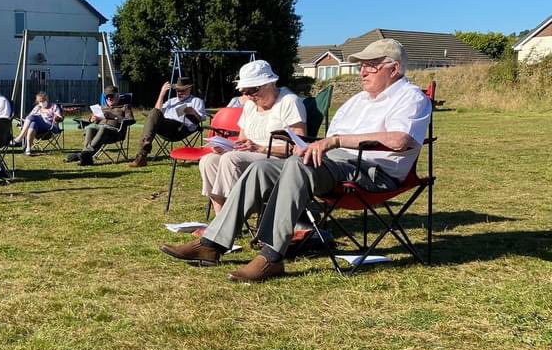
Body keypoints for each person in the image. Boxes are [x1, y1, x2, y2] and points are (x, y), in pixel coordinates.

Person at [161, 39, 432, 283]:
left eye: (371, 66)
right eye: (362, 65)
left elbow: (399, 140)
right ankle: (212, 245)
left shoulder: (411, 98)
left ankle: (272, 256)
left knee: (296, 164)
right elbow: (331, 138)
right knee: (260, 167)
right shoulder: (358, 100)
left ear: (393, 69)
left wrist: (333, 142)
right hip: (335, 164)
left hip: (373, 171)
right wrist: (317, 146)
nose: (362, 71)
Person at [199, 60, 306, 214]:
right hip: (251, 157)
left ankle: (233, 218)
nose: (248, 96)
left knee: (231, 159)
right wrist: (227, 146)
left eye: (252, 90)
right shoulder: (250, 105)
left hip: (280, 161)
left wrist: (260, 148)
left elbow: (299, 147)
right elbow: (242, 140)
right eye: (244, 91)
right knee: (208, 160)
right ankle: (220, 217)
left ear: (270, 83)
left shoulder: (289, 102)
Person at [129, 77, 207, 167]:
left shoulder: (196, 101)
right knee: (154, 113)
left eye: (183, 90)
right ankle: (142, 154)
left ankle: (142, 153)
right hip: (165, 126)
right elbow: (157, 111)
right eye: (178, 90)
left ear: (190, 88)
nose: (180, 93)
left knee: (153, 115)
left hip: (180, 128)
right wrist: (162, 94)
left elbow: (201, 119)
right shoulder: (171, 101)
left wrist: (193, 112)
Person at [65, 85, 134, 166]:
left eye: (111, 96)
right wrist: (92, 119)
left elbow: (130, 120)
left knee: (103, 128)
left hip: (115, 132)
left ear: (117, 96)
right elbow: (91, 119)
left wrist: (114, 117)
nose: (109, 98)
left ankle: (83, 154)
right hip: (99, 129)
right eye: (107, 97)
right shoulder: (102, 108)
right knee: (90, 127)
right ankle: (86, 158)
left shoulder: (124, 107)